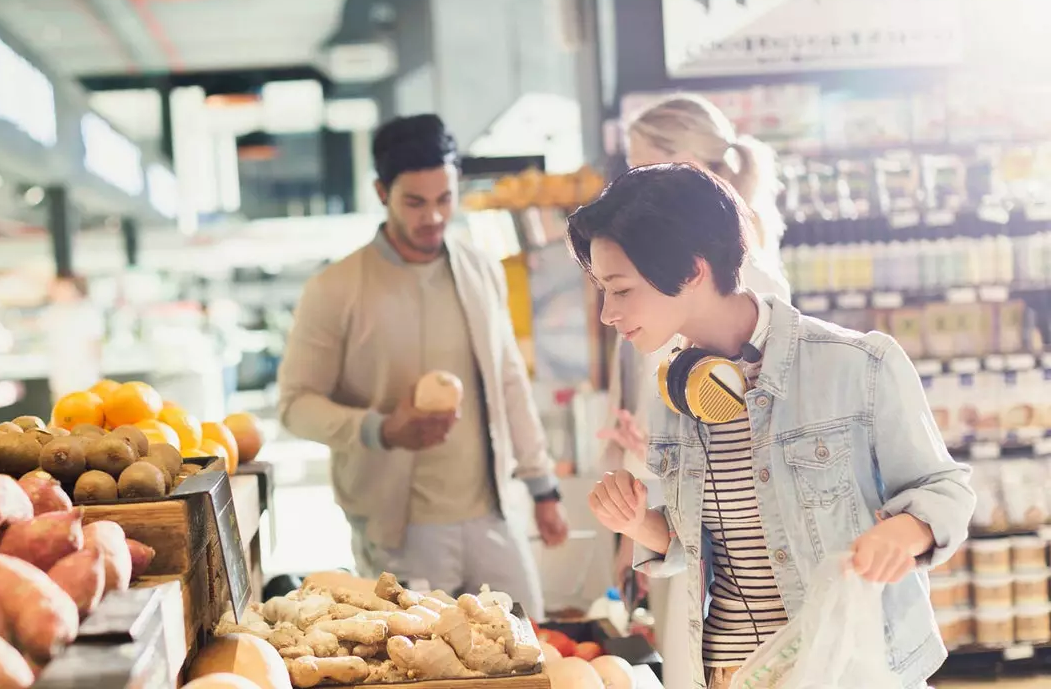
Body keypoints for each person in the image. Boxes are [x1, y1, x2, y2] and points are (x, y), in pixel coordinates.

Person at [572, 163, 974, 689]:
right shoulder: (671, 390)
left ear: (693, 270)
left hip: (843, 669)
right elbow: (702, 543)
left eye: (620, 290)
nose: (607, 312)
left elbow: (947, 490)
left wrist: (907, 529)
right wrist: (639, 524)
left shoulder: (859, 365)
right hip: (726, 672)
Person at [277, 114, 568, 619]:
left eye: (445, 199)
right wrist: (381, 429)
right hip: (400, 529)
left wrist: (543, 487)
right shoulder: (335, 289)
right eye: (415, 202)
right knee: (421, 669)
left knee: (532, 650)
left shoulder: (479, 269)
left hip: (491, 515)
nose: (433, 216)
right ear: (381, 191)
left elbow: (507, 379)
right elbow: (295, 406)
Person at [597, 94, 793, 689]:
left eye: (643, 168)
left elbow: (743, 420)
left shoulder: (740, 275)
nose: (632, 185)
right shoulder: (687, 259)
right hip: (679, 519)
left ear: (685, 166)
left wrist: (655, 440)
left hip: (715, 540)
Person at [42, 275, 104, 401]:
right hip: (61, 375)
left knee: (88, 410)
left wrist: (99, 372)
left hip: (85, 375)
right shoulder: (54, 312)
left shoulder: (87, 312)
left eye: (62, 288)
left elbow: (96, 345)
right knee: (62, 412)